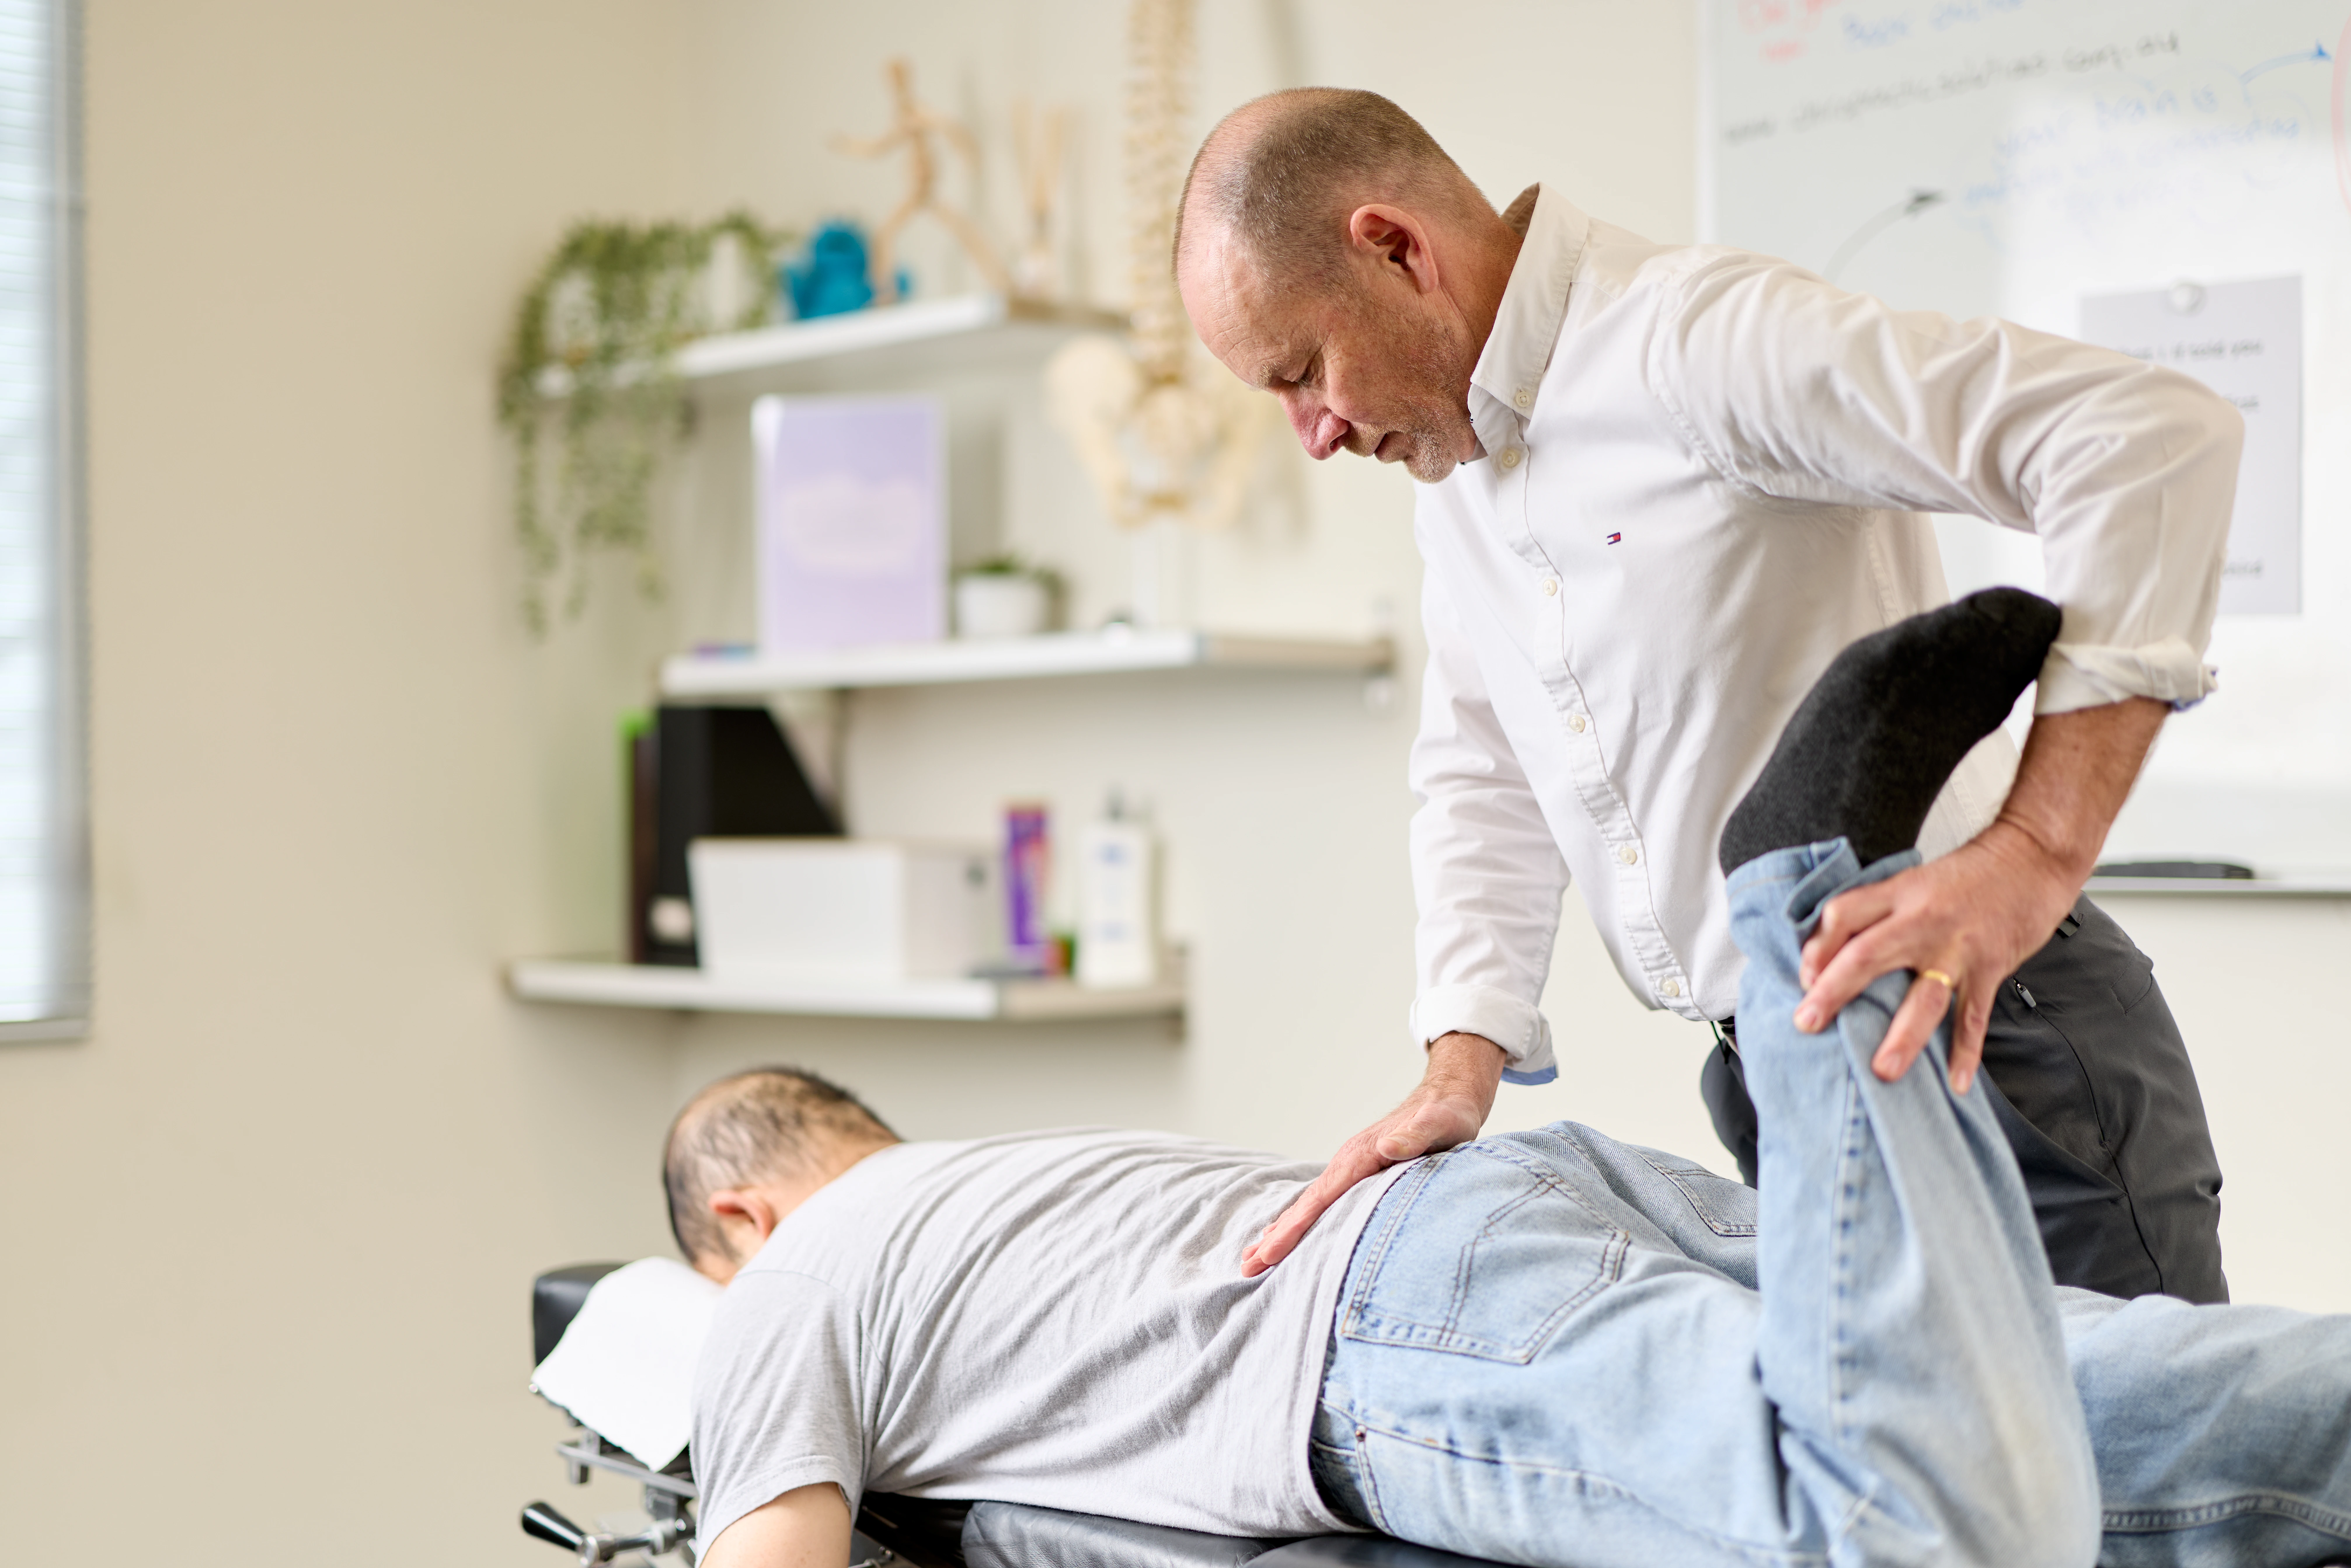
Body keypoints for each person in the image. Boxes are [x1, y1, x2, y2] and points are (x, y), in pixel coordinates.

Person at [683, 597, 2351, 1568]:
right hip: (1505, 1200)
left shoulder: (783, 1286)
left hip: (1396, 1322)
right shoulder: (995, 1182)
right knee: (2092, 1386)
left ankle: (1791, 892)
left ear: (741, 1214)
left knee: (1905, 1518)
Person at [1170, 88, 2240, 1304]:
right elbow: (1483, 765)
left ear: (1398, 250)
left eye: (1304, 371)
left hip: (1994, 1038)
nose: (1310, 432)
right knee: (1897, 1492)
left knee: (2145, 1485)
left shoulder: (1698, 341)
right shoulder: (1454, 470)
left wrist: (2038, 846)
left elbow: (2150, 436)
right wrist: (1461, 1059)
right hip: (1783, 1073)